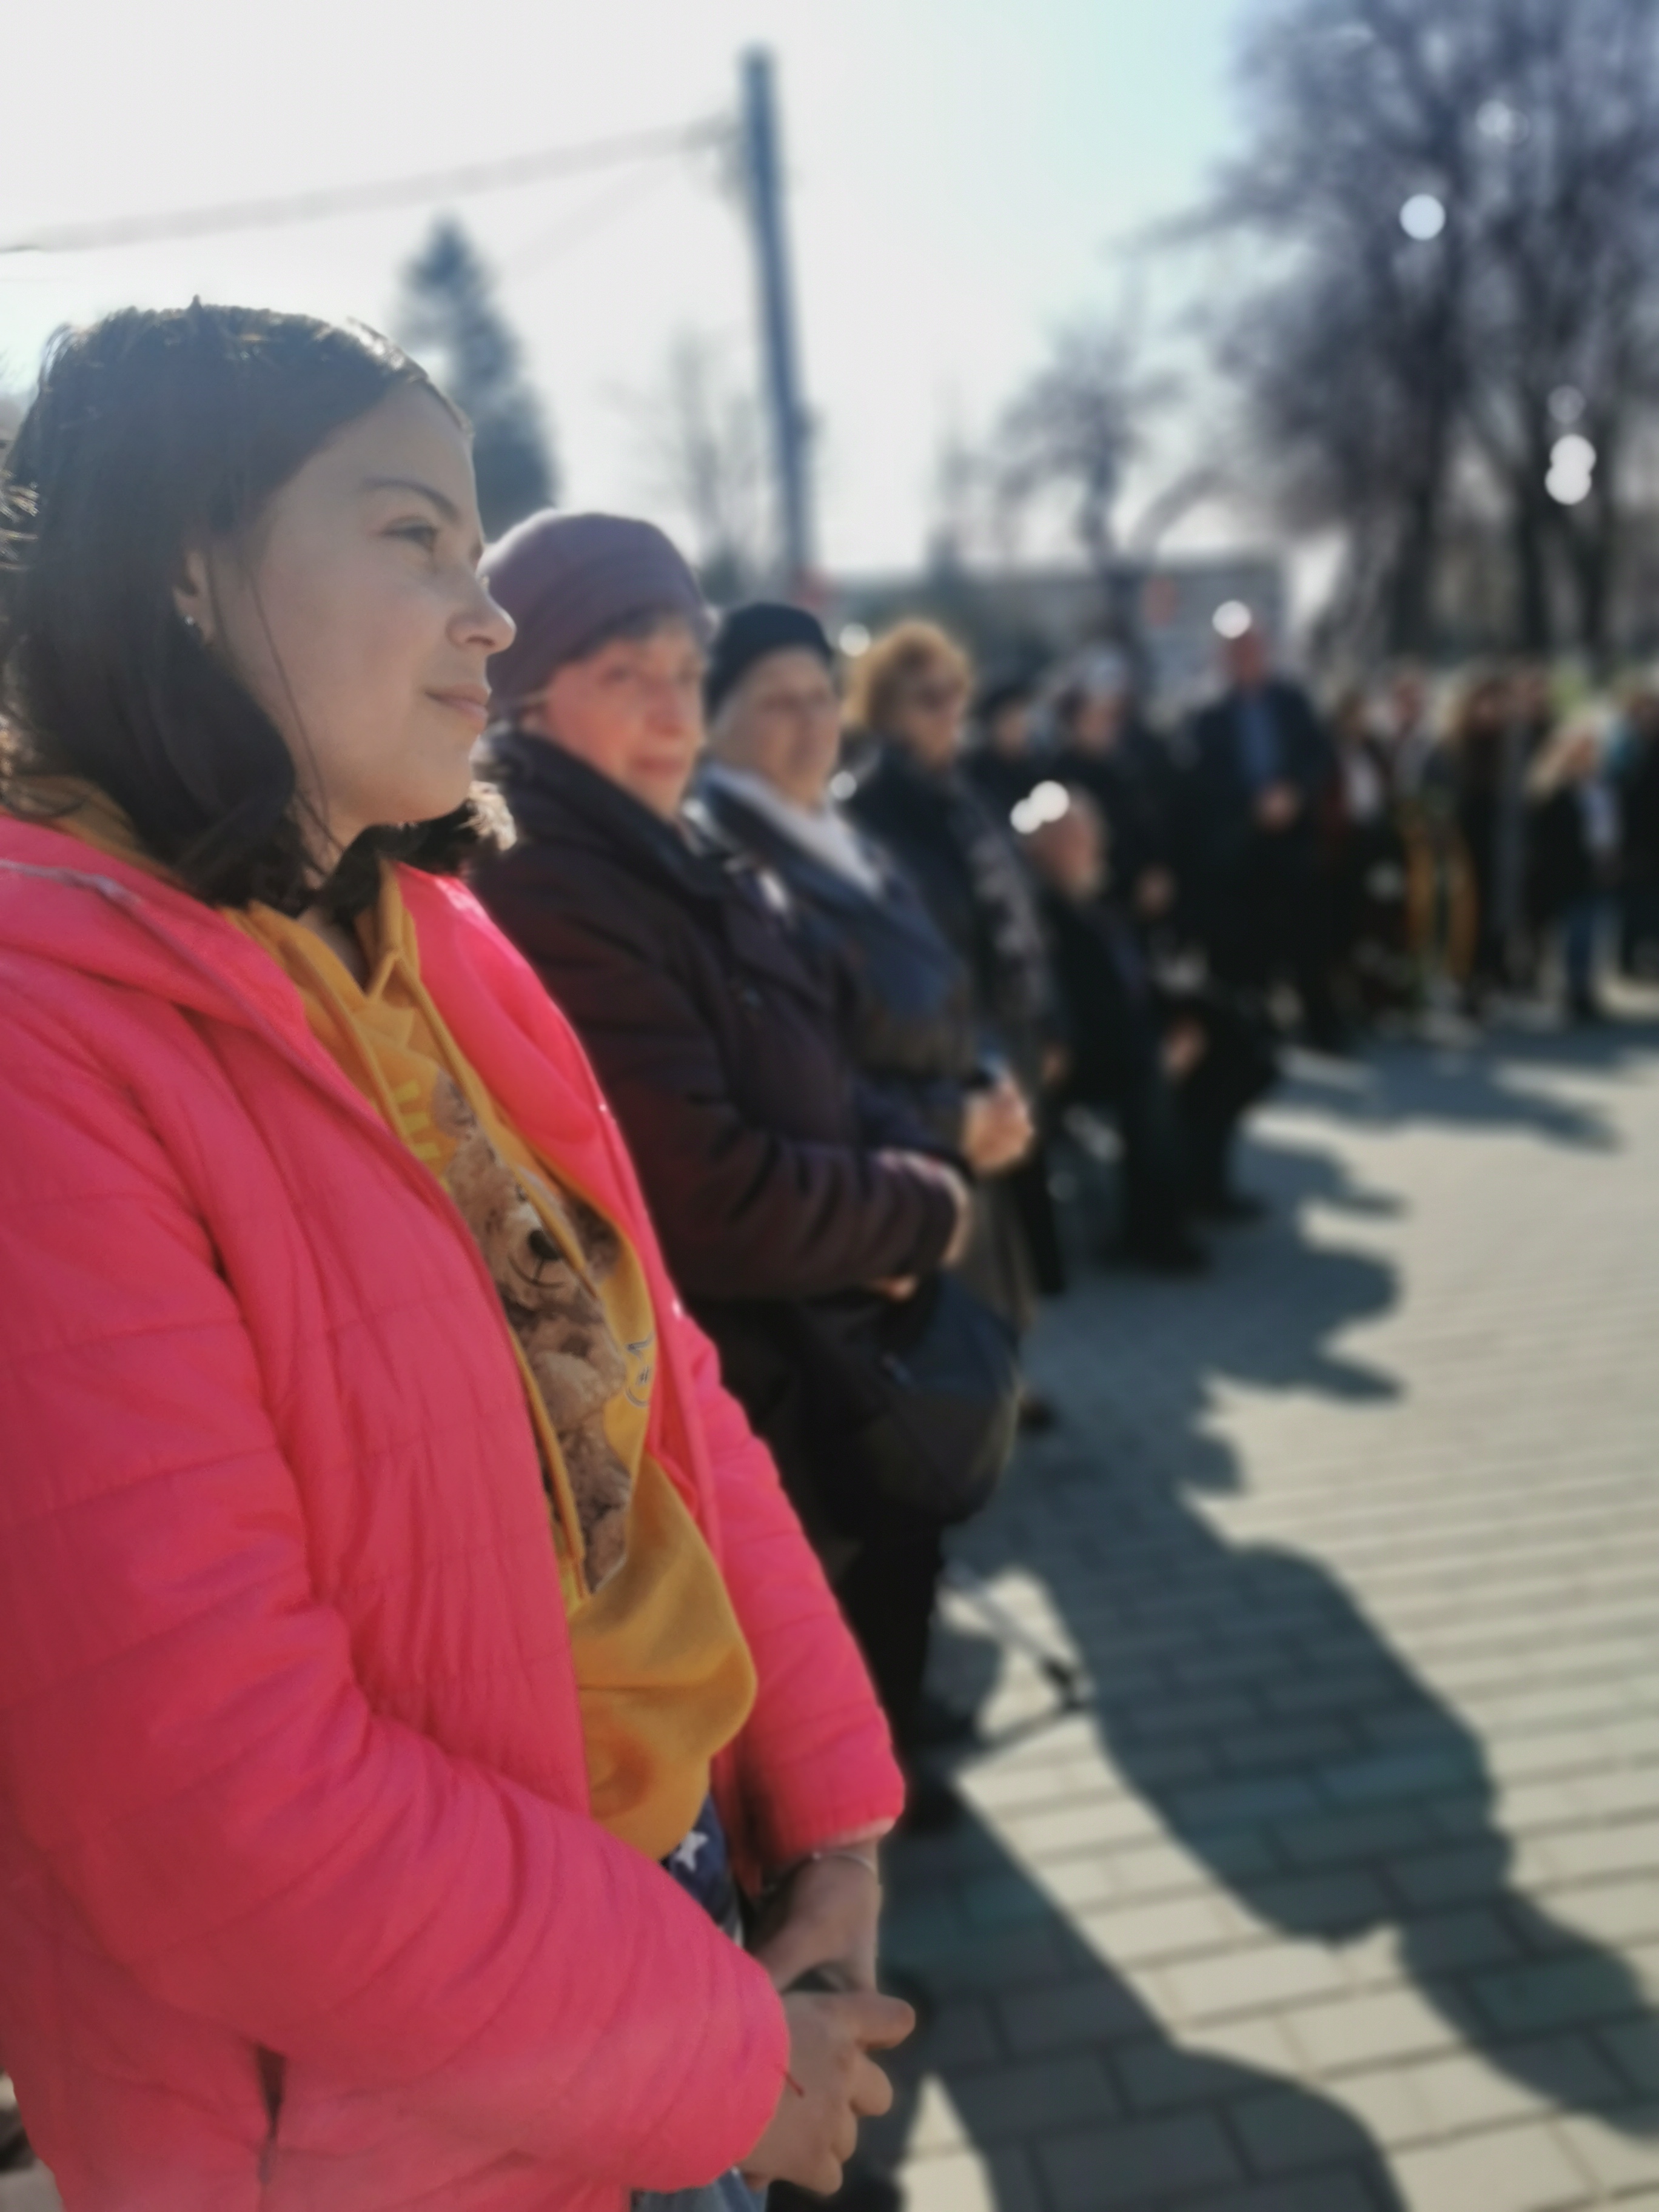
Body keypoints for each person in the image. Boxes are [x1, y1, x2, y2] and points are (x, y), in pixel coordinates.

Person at [0, 304, 913, 2212]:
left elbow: (661, 1390)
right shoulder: (45, 1034)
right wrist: (717, 2061)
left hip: (676, 1948)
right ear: (182, 566)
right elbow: (222, 1797)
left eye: (478, 546)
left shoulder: (428, 934)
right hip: (394, 2128)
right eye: (415, 536)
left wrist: (828, 1809)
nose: (489, 617)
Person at [465, 523, 972, 1780]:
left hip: (808, 1351)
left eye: (685, 674)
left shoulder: (665, 845)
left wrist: (911, 1163)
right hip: (738, 1396)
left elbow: (820, 1053)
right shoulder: (546, 876)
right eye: (624, 674)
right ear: (526, 694)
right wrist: (917, 1210)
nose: (672, 713)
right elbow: (702, 1195)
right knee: (791, 1739)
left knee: (858, 1664)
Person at [695, 602, 1033, 1764]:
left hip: (939, 1184)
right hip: (862, 1219)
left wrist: (986, 1084)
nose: (809, 723)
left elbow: (943, 988)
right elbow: (802, 1066)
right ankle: (874, 1745)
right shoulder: (733, 860)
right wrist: (951, 1120)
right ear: (716, 718)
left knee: (921, 1494)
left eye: (820, 697)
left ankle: (904, 1702)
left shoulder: (837, 832)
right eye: (775, 701)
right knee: (877, 1496)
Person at [843, 622, 1066, 1315]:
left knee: (1011, 1240)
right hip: (946, 1062)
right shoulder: (870, 811)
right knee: (966, 1259)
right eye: (927, 698)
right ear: (885, 710)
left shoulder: (961, 795)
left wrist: (1047, 1023)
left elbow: (1018, 918)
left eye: (954, 692)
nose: (949, 711)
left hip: (1004, 1037)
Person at [1020, 785, 1275, 1270]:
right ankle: (1154, 1232)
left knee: (1239, 1042)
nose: (1094, 846)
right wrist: (1157, 1044)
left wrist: (1189, 1017)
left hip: (1136, 1027)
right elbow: (1078, 1007)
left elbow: (1139, 970)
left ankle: (1203, 1184)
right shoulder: (1040, 911)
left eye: (1094, 833)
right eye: (1078, 837)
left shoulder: (1098, 895)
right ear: (1044, 846)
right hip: (1088, 1052)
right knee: (1148, 1078)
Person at [1185, 619, 1346, 1050]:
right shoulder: (1208, 713)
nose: (1246, 658)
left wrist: (1293, 794)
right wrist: (1251, 805)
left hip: (1294, 836)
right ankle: (1254, 1026)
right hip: (1240, 843)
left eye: (1252, 647)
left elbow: (1318, 756)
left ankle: (1321, 1023)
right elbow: (1203, 778)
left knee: (1309, 935)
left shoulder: (1293, 701)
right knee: (1247, 939)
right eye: (1236, 650)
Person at [1050, 648, 1187, 945]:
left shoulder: (1125, 763)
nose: (1106, 724)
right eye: (1095, 715)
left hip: (1148, 900)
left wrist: (1157, 872)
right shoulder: (1059, 778)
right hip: (1101, 910)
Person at [1527, 713, 1621, 1022]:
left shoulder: (1601, 784)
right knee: (1573, 938)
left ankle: (1586, 992)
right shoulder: (1555, 788)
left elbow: (1608, 827)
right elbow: (1549, 838)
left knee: (1594, 937)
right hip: (1569, 875)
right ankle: (1571, 994)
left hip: (1599, 871)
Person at [960, 668, 1044, 819]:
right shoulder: (975, 770)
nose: (1020, 726)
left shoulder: (1035, 766)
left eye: (1022, 717)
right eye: (1010, 720)